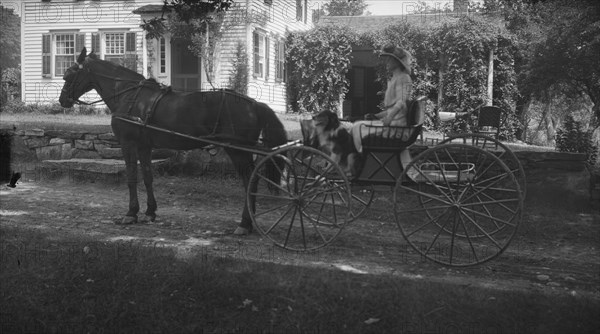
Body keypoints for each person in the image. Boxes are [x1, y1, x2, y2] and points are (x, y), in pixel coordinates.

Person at [350, 45, 414, 153]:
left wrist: (389, 118)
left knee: (357, 127)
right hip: (392, 123)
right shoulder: (395, 78)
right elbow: (392, 107)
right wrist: (377, 116)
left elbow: (401, 102)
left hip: (396, 127)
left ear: (397, 61)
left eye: (389, 59)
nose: (386, 62)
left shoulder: (404, 78)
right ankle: (362, 157)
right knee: (358, 124)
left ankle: (360, 159)